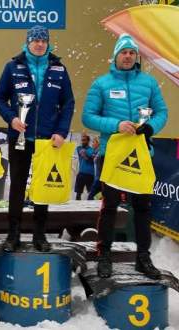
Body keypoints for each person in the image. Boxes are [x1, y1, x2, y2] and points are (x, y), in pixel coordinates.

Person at [82, 33, 168, 279]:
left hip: (141, 153)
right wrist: (116, 125)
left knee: (142, 207)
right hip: (112, 154)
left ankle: (143, 258)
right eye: (123, 52)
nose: (128, 56)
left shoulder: (149, 83)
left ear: (136, 56)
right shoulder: (101, 84)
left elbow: (162, 111)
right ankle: (104, 256)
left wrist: (151, 126)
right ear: (116, 56)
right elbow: (88, 116)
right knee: (109, 207)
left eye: (132, 52)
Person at [0, 25, 75, 252]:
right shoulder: (13, 67)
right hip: (20, 137)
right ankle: (13, 234)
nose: (39, 44)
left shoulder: (58, 68)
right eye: (35, 40)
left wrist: (61, 131)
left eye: (43, 40)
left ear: (48, 43)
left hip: (47, 140)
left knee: (43, 187)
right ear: (27, 42)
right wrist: (11, 119)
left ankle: (40, 235)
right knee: (17, 186)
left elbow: (68, 103)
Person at [74, 133, 95, 200]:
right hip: (81, 173)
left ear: (88, 141)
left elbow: (90, 156)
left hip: (90, 174)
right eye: (82, 140)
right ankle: (76, 208)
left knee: (91, 193)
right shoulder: (79, 148)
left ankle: (92, 208)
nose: (83, 142)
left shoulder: (91, 149)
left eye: (84, 140)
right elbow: (82, 153)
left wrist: (87, 154)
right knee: (78, 193)